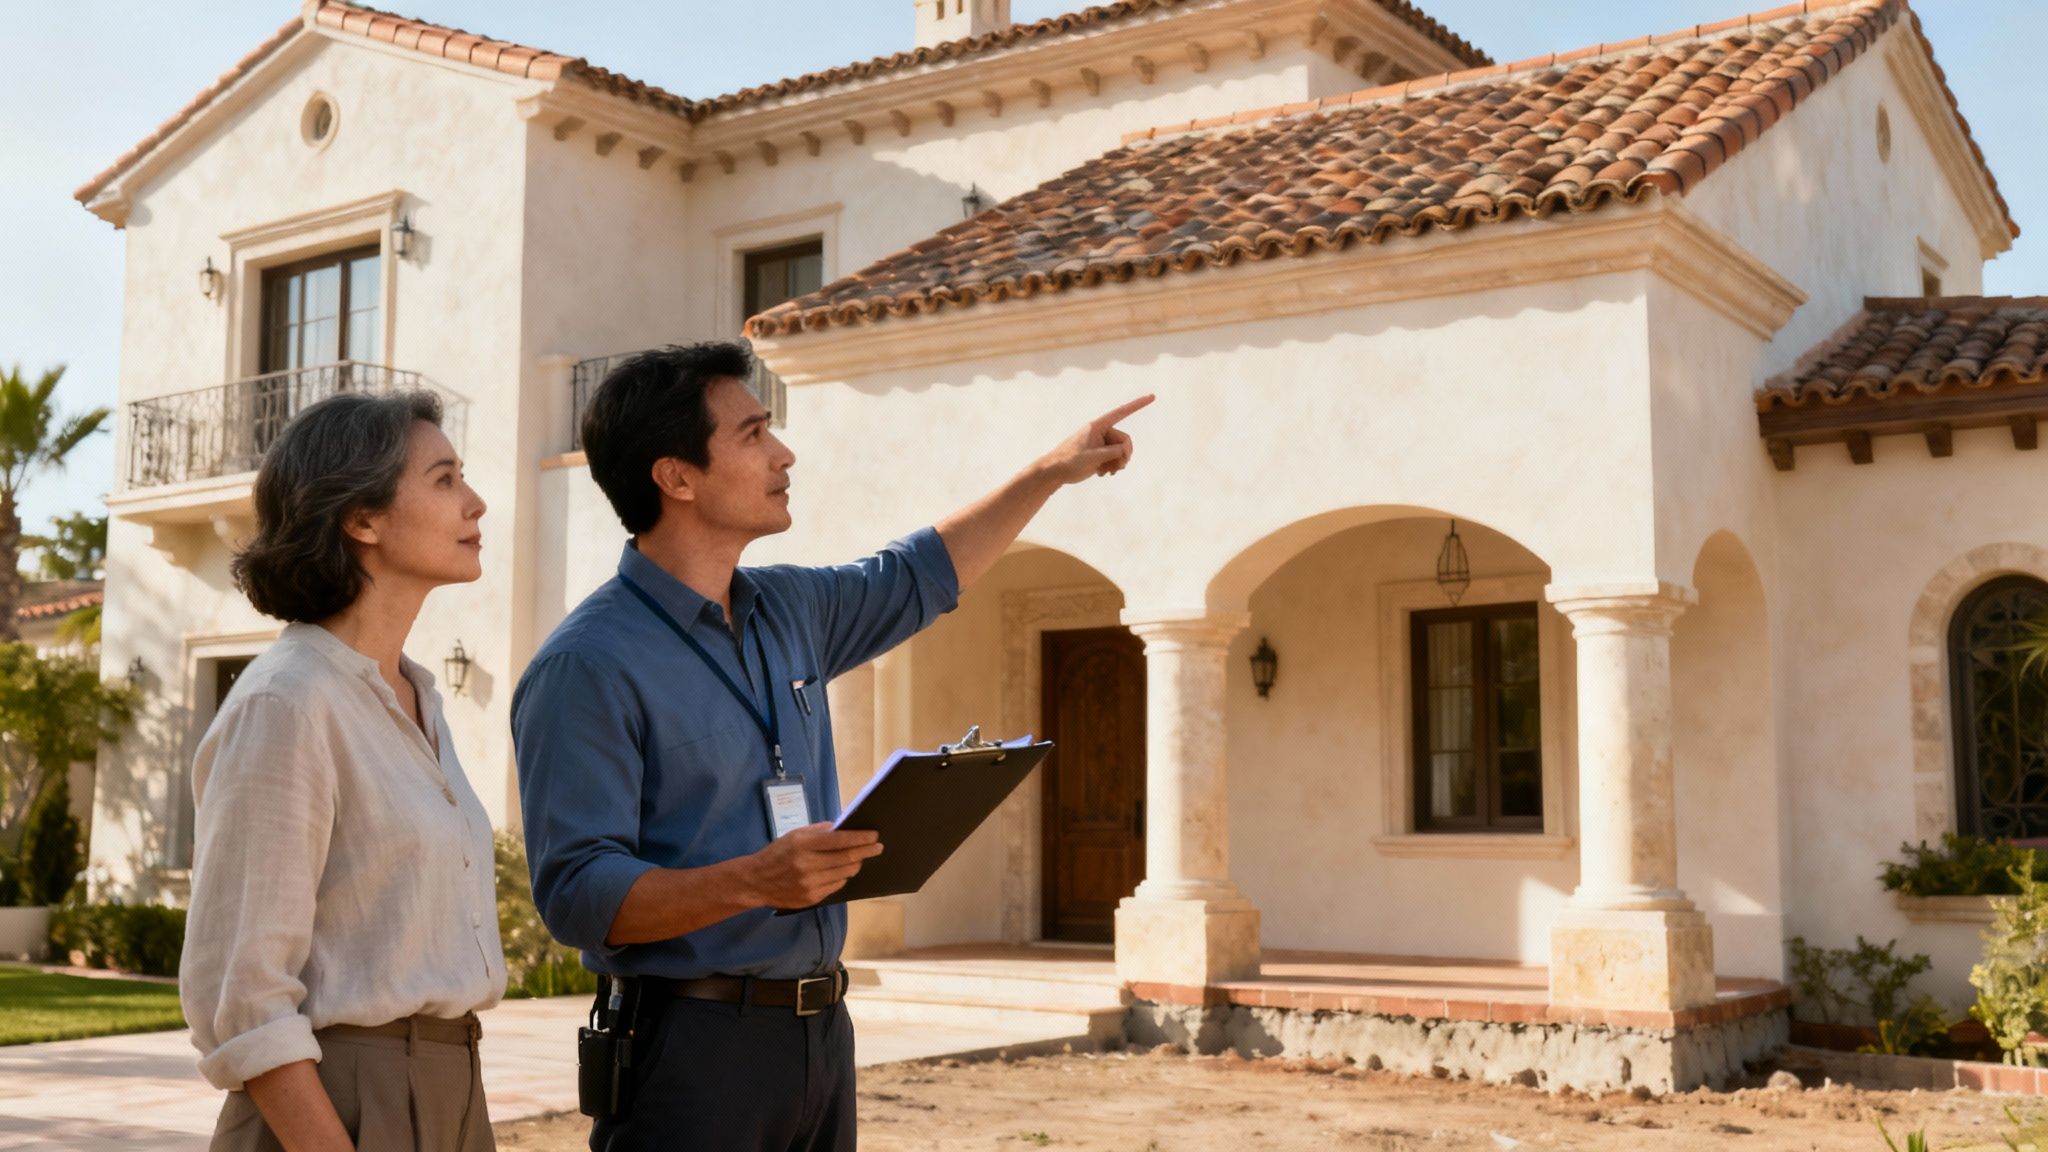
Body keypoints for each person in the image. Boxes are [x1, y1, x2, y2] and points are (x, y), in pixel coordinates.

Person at [513, 340, 1149, 1151]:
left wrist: (1049, 473)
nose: (784, 453)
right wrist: (753, 881)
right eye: (752, 435)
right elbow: (577, 893)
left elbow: (919, 575)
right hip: (692, 1051)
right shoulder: (585, 666)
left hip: (821, 1038)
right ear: (676, 478)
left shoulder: (791, 607)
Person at [180, 390, 504, 1152]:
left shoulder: (417, 697)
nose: (476, 501)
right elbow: (246, 993)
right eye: (445, 478)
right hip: (338, 1105)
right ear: (362, 519)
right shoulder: (287, 704)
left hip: (456, 1088)